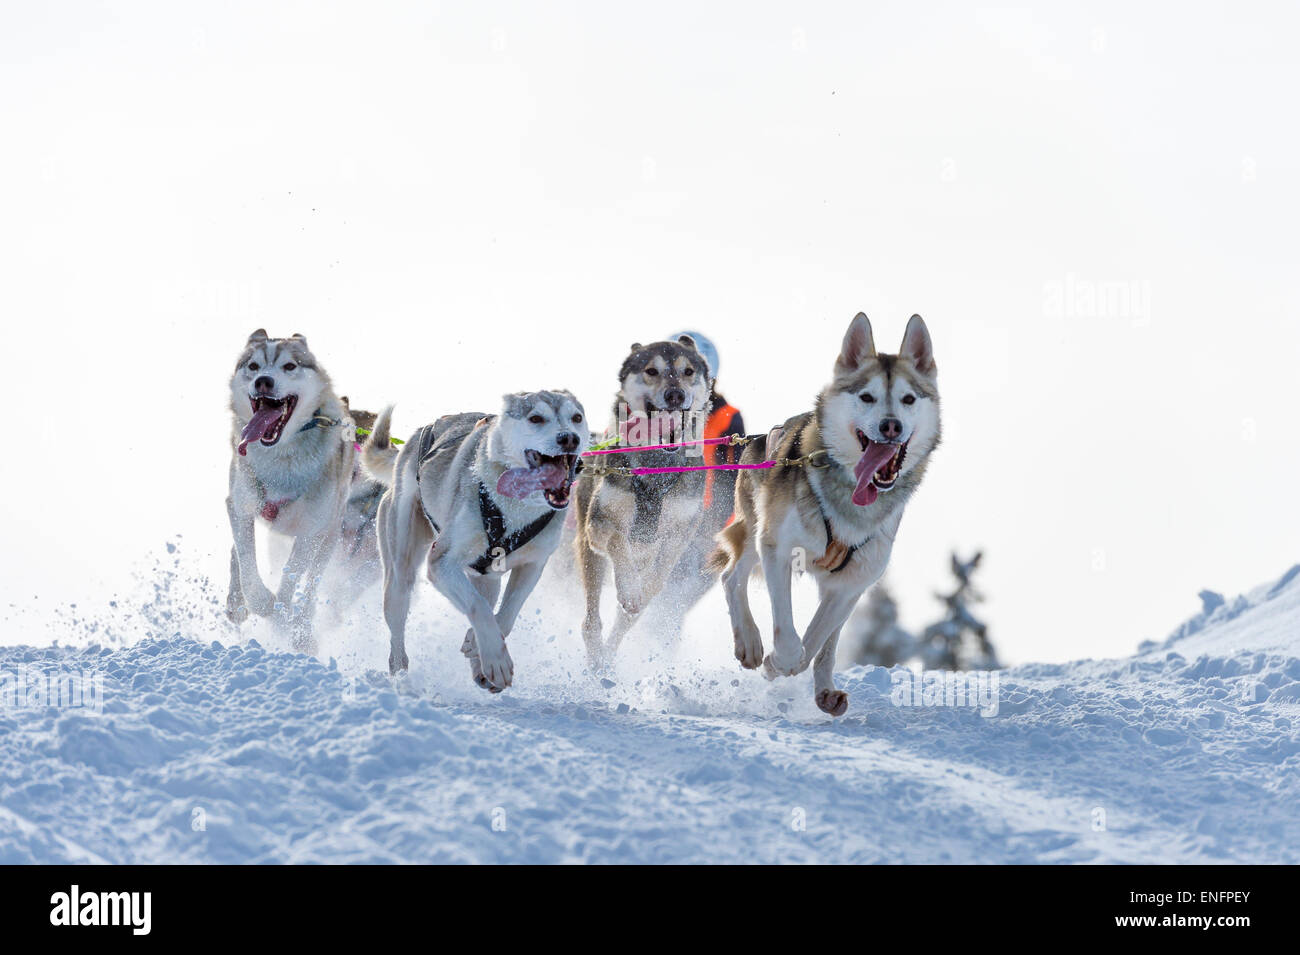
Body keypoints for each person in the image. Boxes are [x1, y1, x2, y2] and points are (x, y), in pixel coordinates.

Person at [642, 330, 747, 642]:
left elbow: (733, 479)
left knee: (668, 602)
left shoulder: (727, 419)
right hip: (653, 524)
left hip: (704, 531)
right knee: (650, 603)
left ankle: (655, 667)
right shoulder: (646, 412)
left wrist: (714, 530)